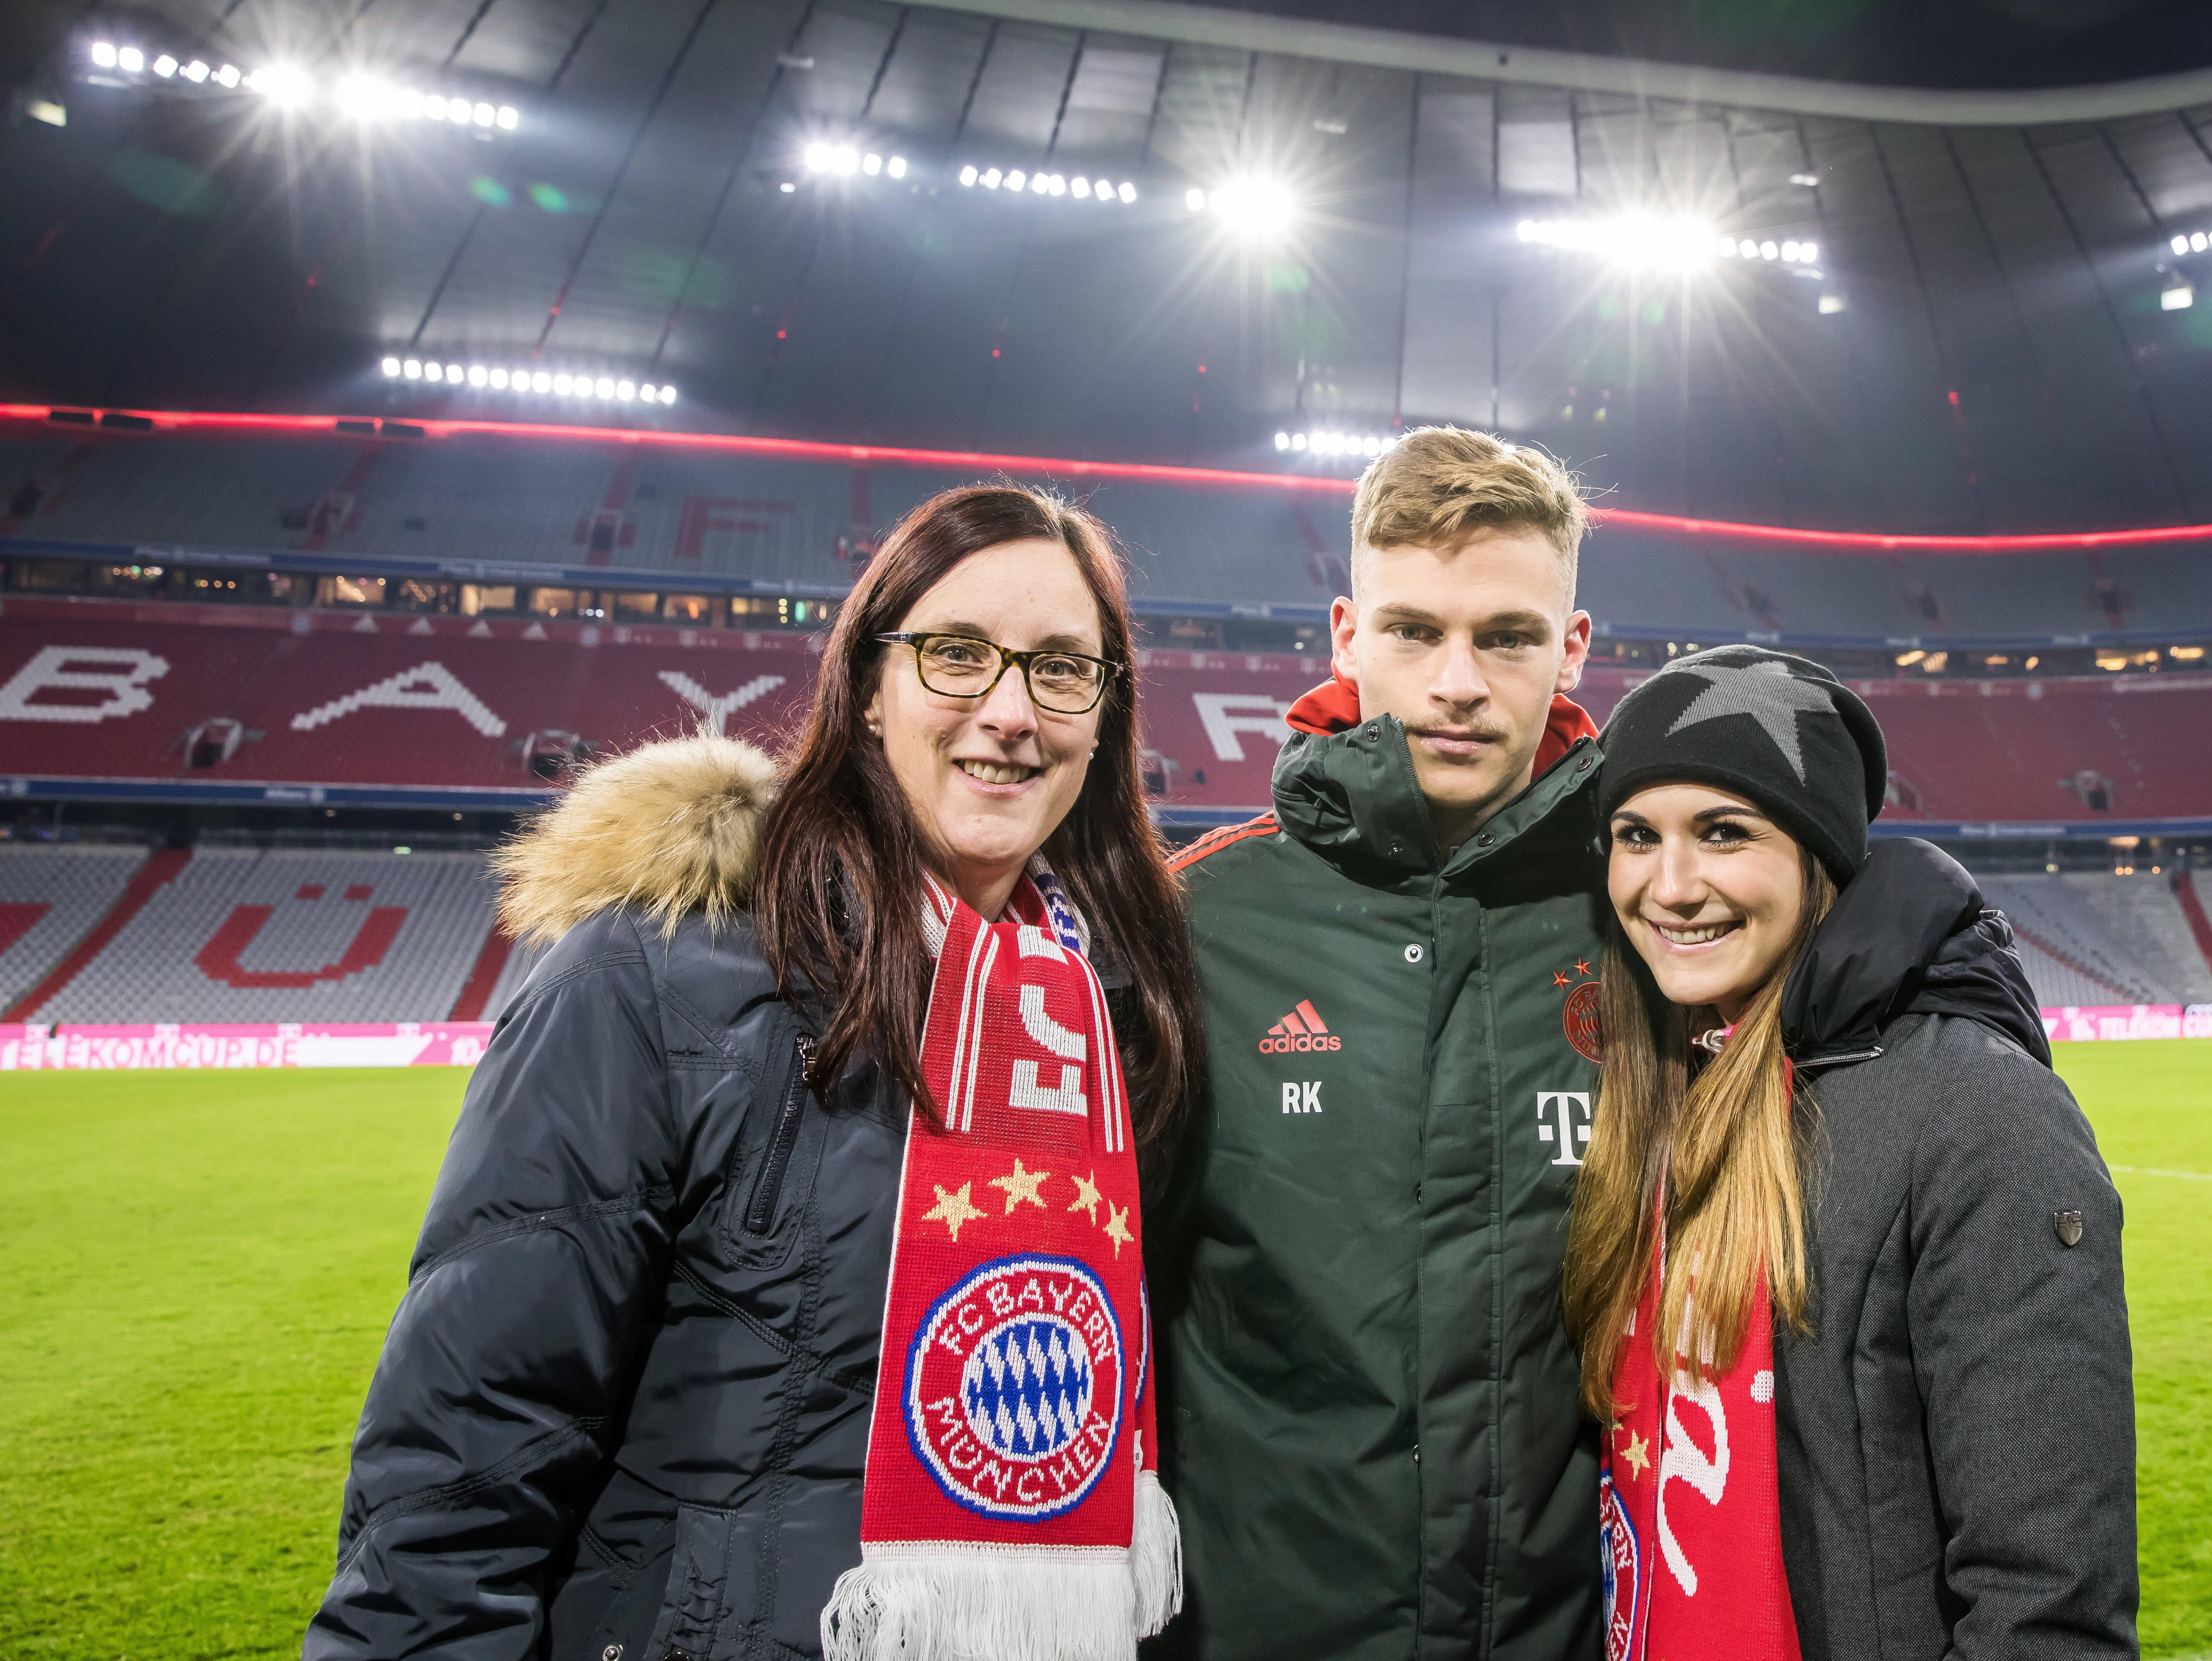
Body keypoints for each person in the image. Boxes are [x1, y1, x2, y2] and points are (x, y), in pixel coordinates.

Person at [308, 485, 1203, 1661]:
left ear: (1106, 716)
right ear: (870, 692)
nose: (1010, 711)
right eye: (957, 656)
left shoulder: (1112, 1011)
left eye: (1060, 669)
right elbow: (474, 1445)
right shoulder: (655, 968)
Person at [1566, 644, 2138, 1661]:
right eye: (1635, 835)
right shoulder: (1662, 1087)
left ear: (1816, 856)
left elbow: (2046, 1604)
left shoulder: (1977, 1110)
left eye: (1725, 832)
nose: (1671, 884)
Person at [1152, 427, 1607, 1661]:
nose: (1458, 681)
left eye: (1507, 637)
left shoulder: (1651, 929)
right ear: (1348, 638)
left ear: (1569, 650)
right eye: (1416, 631)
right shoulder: (1196, 928)